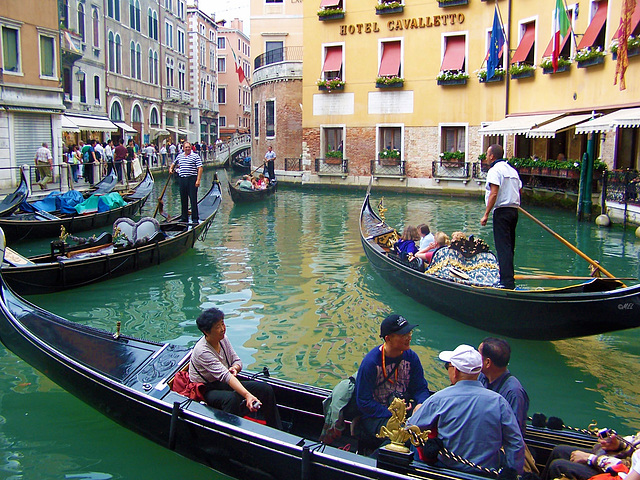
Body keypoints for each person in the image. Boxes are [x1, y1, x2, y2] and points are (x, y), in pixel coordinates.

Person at [408, 344, 525, 474]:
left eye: (448, 366)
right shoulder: (499, 402)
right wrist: (514, 474)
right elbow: (515, 443)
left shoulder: (439, 399)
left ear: (456, 371)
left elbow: (411, 427)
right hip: (486, 473)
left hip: (446, 470)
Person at [188, 308, 282, 429]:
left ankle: (276, 428)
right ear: (206, 332)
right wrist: (248, 395)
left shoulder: (223, 339)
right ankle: (233, 432)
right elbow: (226, 377)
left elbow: (237, 361)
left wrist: (235, 368)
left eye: (222, 324)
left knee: (265, 389)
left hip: (224, 382)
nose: (222, 329)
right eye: (217, 326)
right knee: (231, 399)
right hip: (206, 389)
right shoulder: (202, 351)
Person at [355, 314, 430, 447]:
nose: (409, 337)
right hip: (377, 416)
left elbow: (420, 388)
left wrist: (421, 404)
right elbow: (364, 401)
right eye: (403, 335)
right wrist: (393, 413)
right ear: (388, 338)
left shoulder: (411, 358)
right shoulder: (371, 363)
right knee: (401, 437)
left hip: (404, 414)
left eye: (409, 332)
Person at [480, 144, 522, 289]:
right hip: (513, 211)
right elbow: (519, 189)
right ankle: (508, 278)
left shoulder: (494, 170)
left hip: (502, 212)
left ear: (492, 156)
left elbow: (494, 193)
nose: (486, 156)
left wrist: (486, 214)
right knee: (509, 247)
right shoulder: (512, 170)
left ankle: (506, 282)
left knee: (503, 247)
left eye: (487, 154)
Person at [478, 338, 529, 437]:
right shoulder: (480, 377)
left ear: (488, 362)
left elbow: (513, 434)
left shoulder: (514, 392)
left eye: (478, 354)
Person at [542, 430, 640, 480]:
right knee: (559, 451)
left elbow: (624, 467)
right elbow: (634, 441)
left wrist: (591, 458)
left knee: (558, 466)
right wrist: (618, 445)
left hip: (619, 473)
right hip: (616, 460)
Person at [170, 141, 203, 223]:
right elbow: (173, 163)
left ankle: (195, 218)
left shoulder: (195, 156)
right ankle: (184, 218)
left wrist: (198, 180)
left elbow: (200, 168)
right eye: (186, 147)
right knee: (183, 199)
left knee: (193, 199)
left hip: (192, 179)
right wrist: (171, 169)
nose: (187, 148)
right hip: (182, 179)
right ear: (183, 148)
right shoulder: (180, 156)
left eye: (188, 147)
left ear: (191, 148)